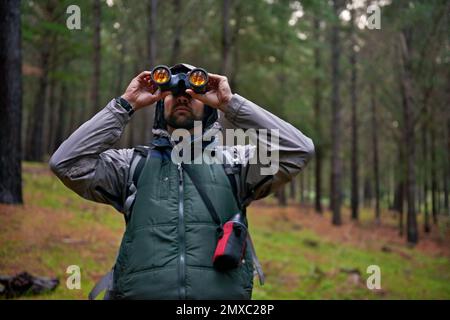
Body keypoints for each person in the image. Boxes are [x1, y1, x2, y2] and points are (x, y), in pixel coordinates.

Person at [49, 63, 314, 300]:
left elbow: (298, 150)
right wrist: (125, 105)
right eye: (173, 93)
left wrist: (229, 103)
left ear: (208, 107)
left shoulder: (236, 164)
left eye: (192, 94)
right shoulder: (132, 165)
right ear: (159, 104)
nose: (182, 98)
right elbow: (67, 164)